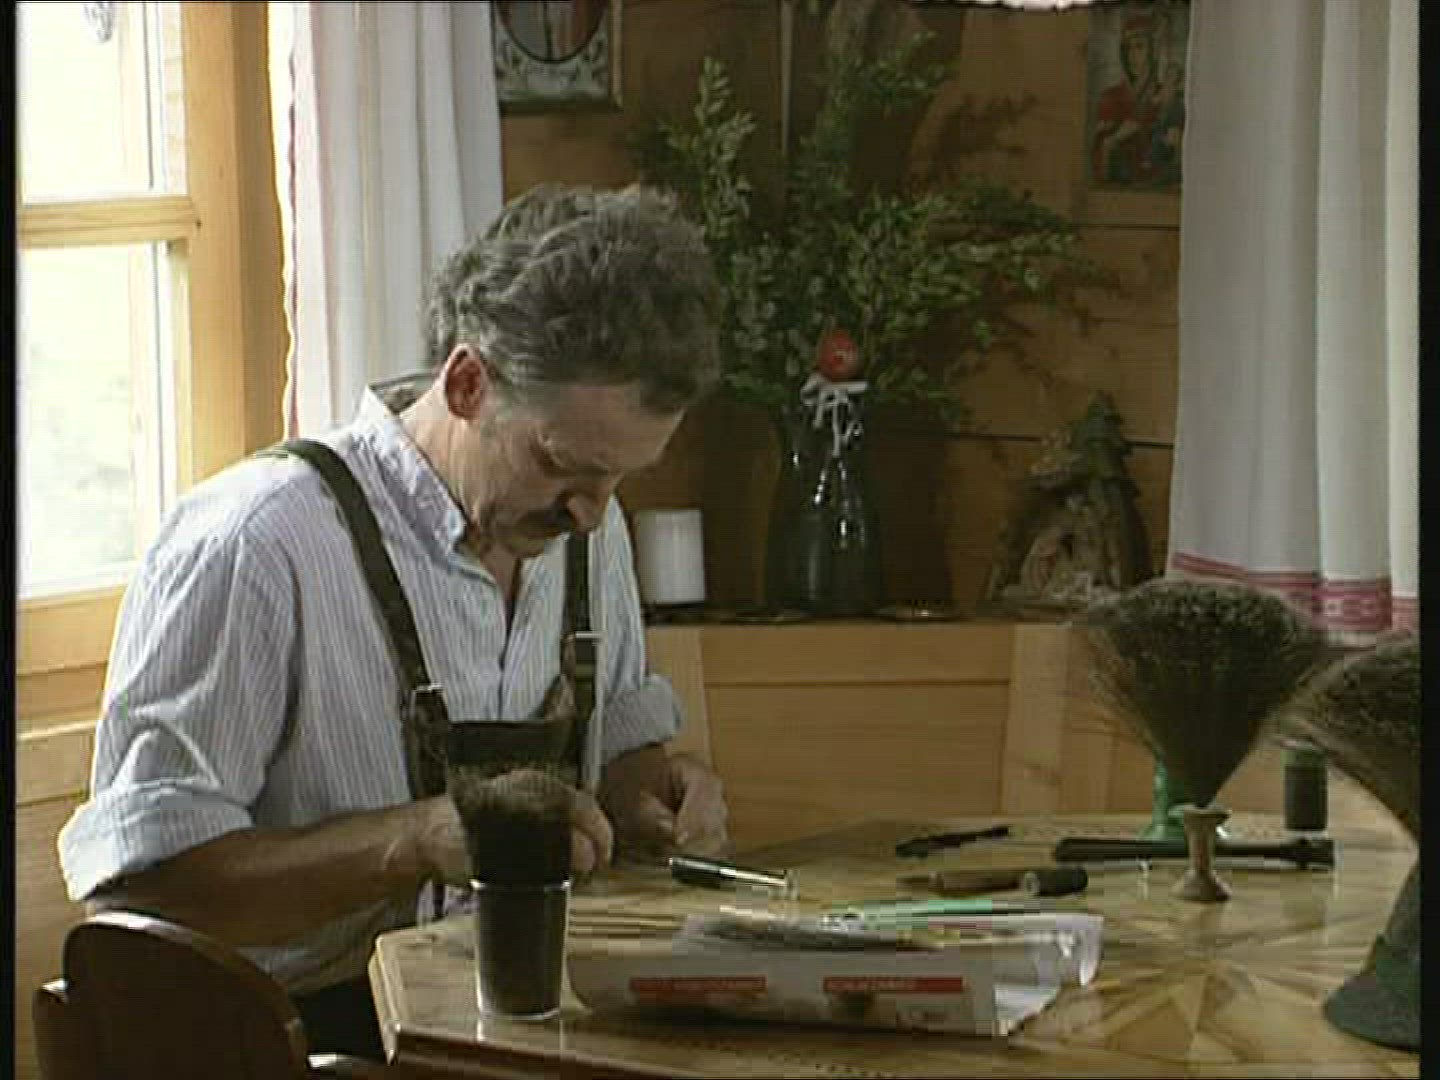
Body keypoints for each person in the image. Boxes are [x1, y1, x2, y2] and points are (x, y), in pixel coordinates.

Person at [58, 183, 731, 1060]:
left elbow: (622, 754)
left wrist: (646, 797)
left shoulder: (582, 527)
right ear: (467, 383)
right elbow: (139, 899)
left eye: (621, 478)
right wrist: (409, 842)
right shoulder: (257, 544)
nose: (593, 514)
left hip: (520, 1029)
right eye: (562, 463)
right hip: (290, 1046)